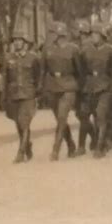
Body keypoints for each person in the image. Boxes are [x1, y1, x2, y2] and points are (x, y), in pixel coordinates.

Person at [41, 21, 82, 161]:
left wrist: (78, 86)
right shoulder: (47, 49)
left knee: (62, 117)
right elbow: (43, 69)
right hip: (53, 86)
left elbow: (79, 70)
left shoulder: (73, 49)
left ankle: (55, 150)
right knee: (60, 120)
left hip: (68, 86)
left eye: (53, 33)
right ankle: (70, 144)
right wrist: (42, 88)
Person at [78, 22, 112, 158]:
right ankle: (81, 146)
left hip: (105, 88)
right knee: (84, 115)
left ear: (102, 36)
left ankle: (100, 147)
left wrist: (111, 90)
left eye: (96, 34)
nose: (93, 37)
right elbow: (81, 70)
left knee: (100, 115)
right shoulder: (84, 51)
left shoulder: (110, 51)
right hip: (89, 87)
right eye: (92, 34)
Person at [3, 29, 42, 163]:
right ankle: (27, 146)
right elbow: (5, 79)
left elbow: (38, 76)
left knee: (24, 122)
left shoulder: (33, 58)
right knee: (19, 124)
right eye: (15, 40)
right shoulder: (9, 58)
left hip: (28, 94)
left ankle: (20, 153)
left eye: (20, 40)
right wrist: (4, 96)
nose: (17, 43)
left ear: (26, 43)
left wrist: (38, 92)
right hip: (14, 95)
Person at [73, 19, 98, 155]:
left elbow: (83, 69)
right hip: (83, 85)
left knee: (84, 114)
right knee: (83, 115)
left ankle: (84, 145)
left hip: (88, 85)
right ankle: (94, 138)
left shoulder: (86, 48)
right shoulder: (80, 46)